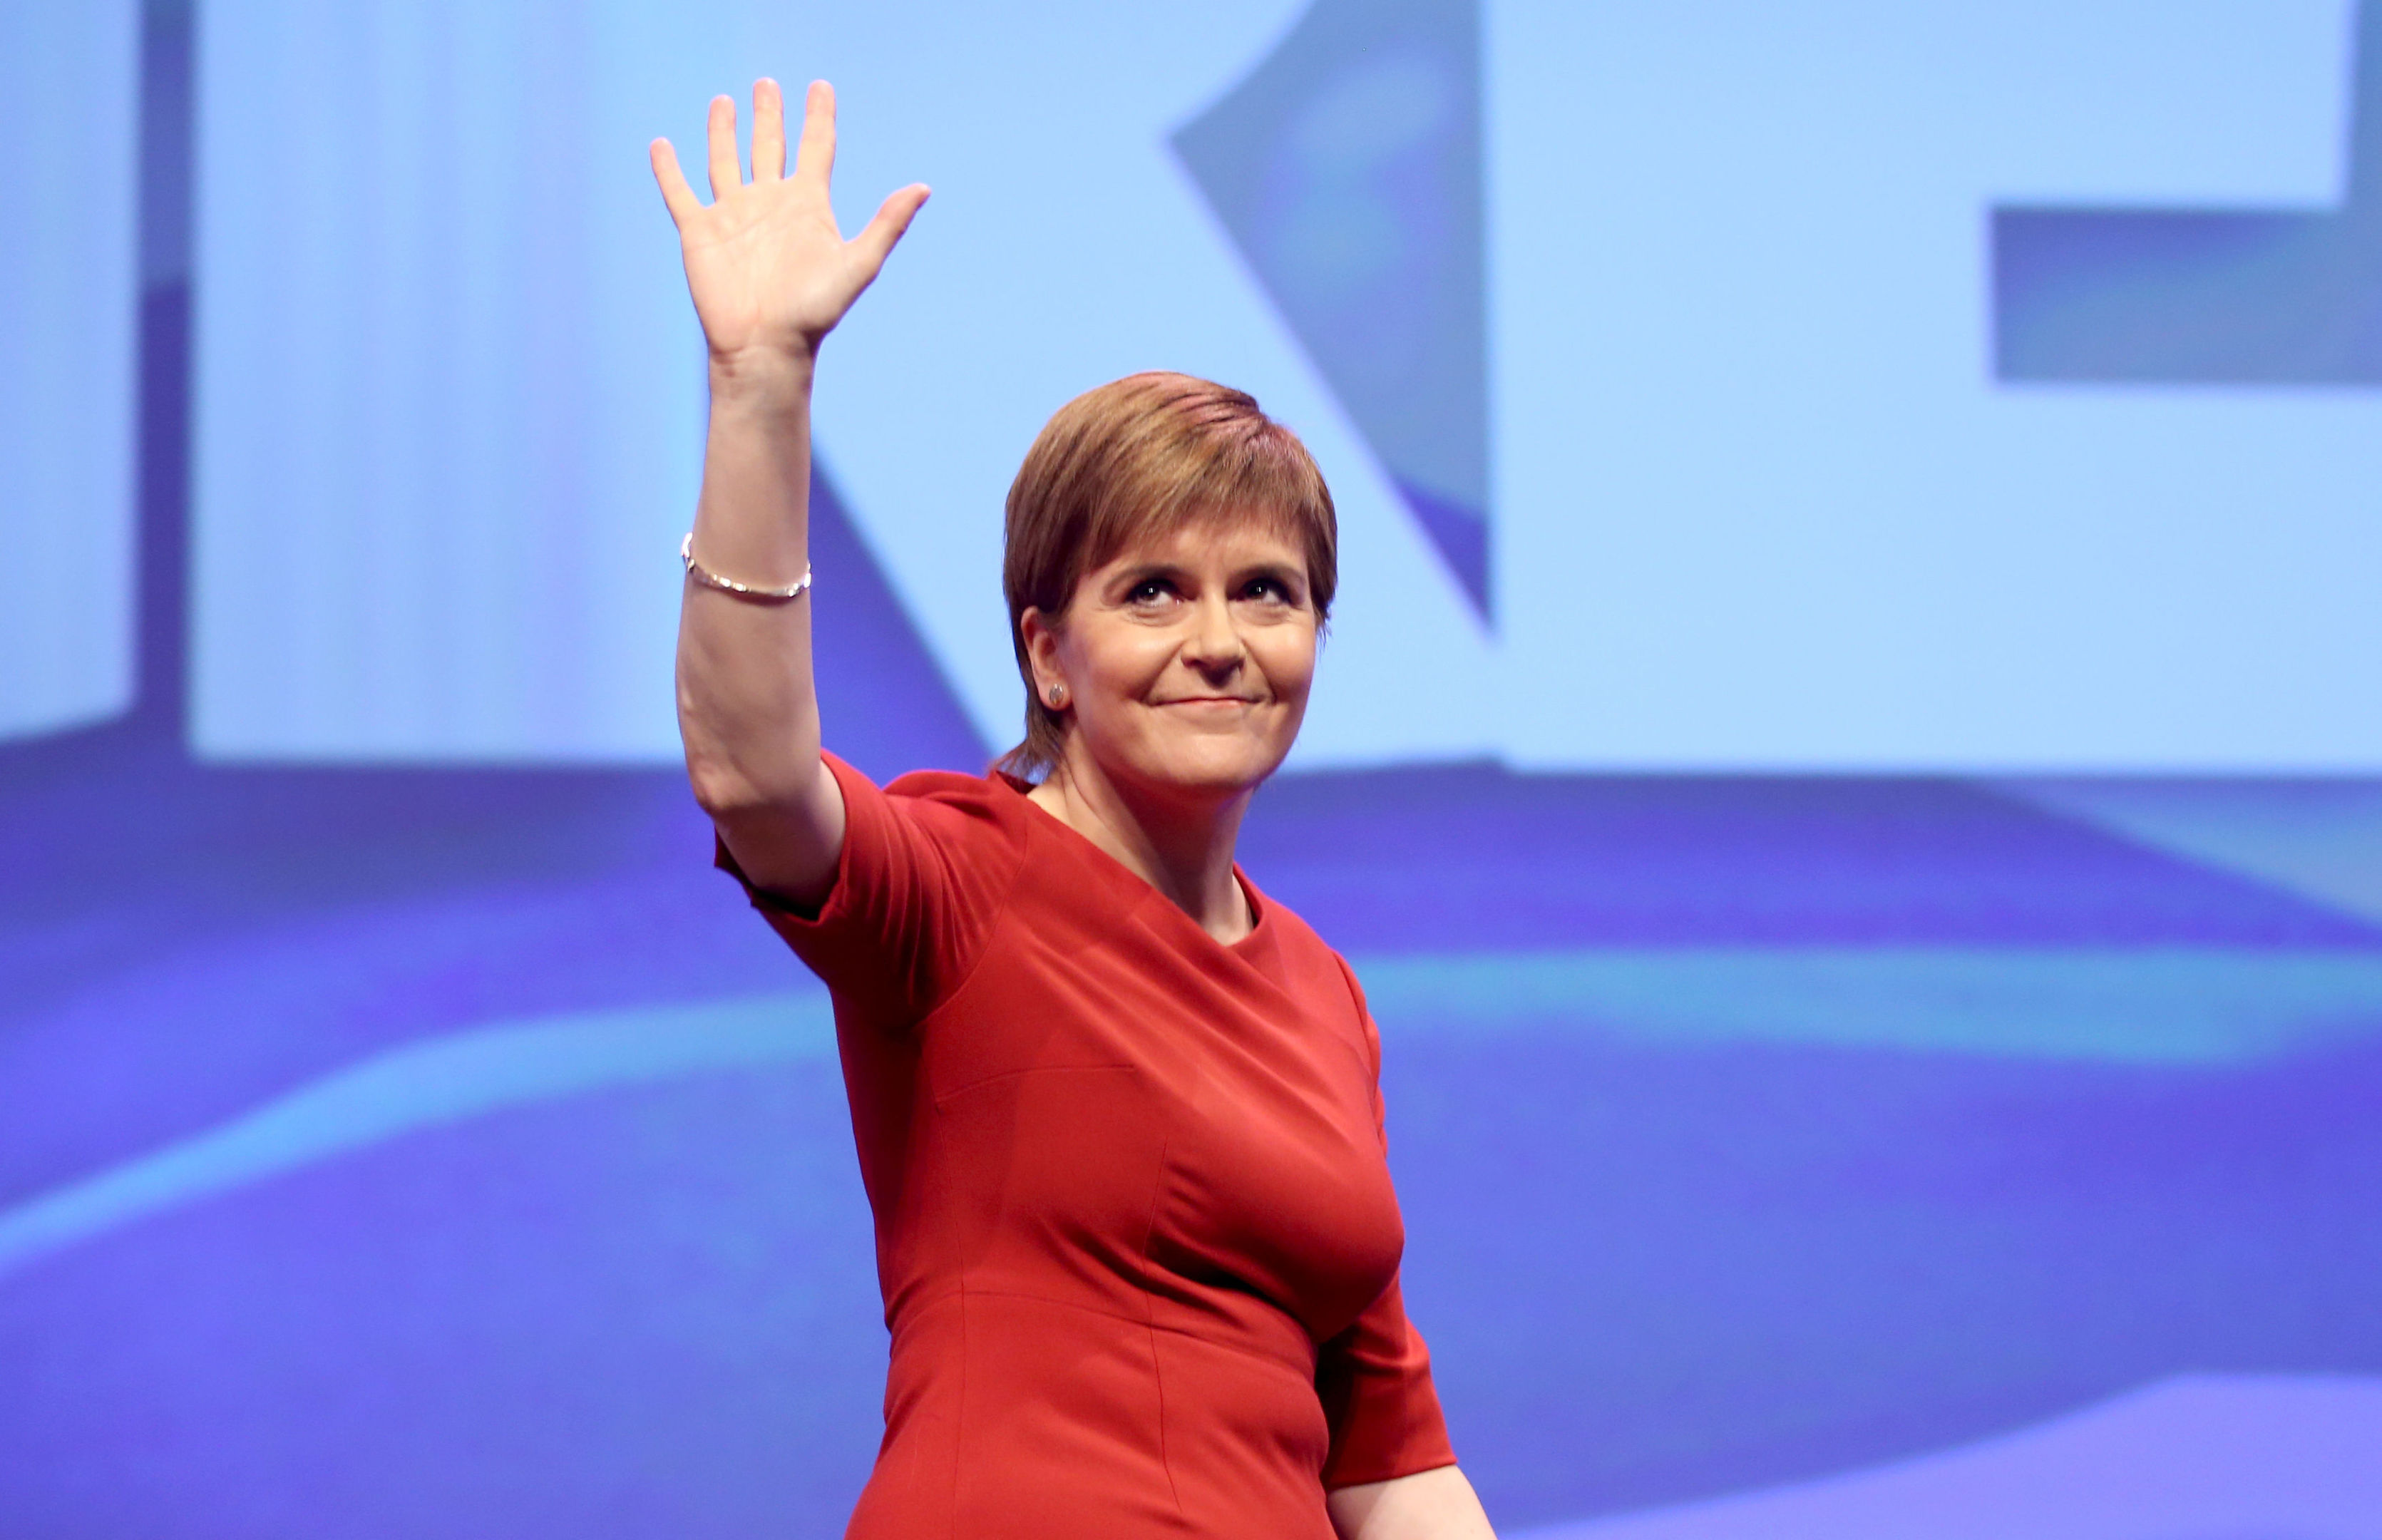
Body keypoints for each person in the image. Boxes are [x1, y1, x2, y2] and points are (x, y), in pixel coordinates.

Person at [651, 78, 1497, 1540]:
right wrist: (761, 388)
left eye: (1268, 594)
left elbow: (1390, 1463)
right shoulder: (958, 883)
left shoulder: (1325, 996)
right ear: (1049, 651)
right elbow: (751, 775)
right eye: (1153, 591)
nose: (1220, 640)